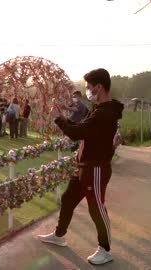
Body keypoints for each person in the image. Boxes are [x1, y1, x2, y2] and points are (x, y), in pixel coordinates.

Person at [37, 68, 124, 265]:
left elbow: (76, 133)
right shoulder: (99, 110)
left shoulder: (104, 113)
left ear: (99, 87)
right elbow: (81, 130)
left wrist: (59, 118)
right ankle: (59, 235)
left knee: (97, 209)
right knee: (68, 199)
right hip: (85, 166)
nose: (87, 91)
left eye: (88, 88)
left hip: (95, 168)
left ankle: (105, 250)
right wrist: (64, 118)